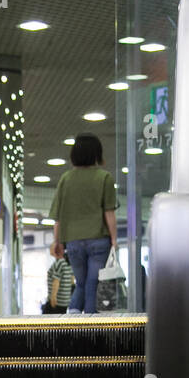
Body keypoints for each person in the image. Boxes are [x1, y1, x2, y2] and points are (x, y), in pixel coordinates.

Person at [48, 133, 118, 314]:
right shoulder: (105, 178)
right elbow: (108, 212)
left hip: (74, 242)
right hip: (98, 241)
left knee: (81, 283)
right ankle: (88, 328)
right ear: (97, 153)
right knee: (92, 284)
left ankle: (73, 317)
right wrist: (114, 239)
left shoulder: (65, 179)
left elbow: (58, 217)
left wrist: (57, 242)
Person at [42, 239, 73, 314]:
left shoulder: (59, 263)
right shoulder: (67, 262)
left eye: (52, 246)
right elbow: (72, 280)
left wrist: (53, 298)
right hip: (64, 301)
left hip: (57, 302)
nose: (50, 247)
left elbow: (56, 281)